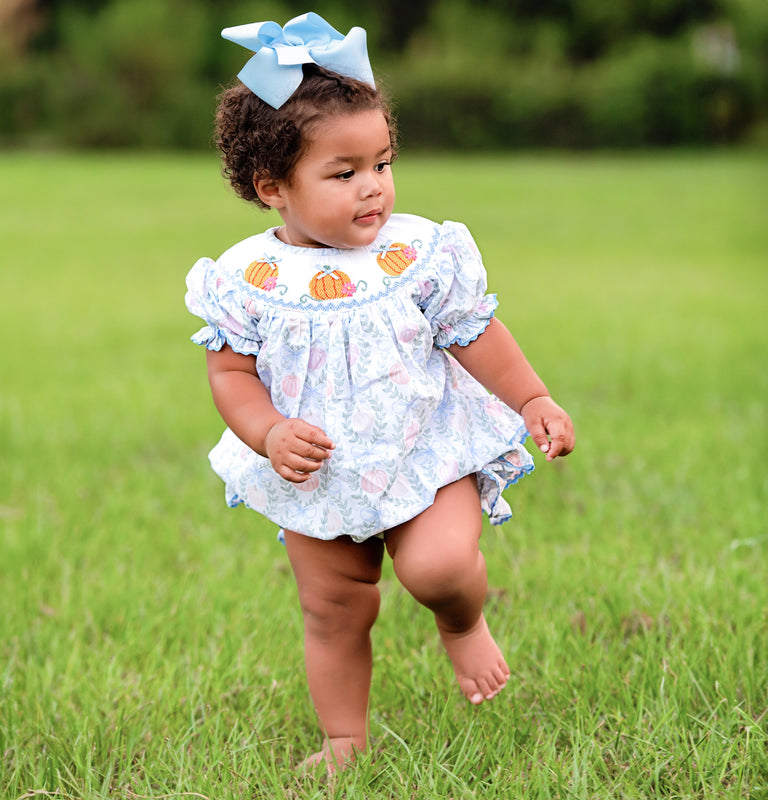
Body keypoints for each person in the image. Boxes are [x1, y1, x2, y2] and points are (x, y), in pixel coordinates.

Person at [185, 12, 575, 771]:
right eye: (344, 173)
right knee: (332, 609)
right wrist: (267, 432)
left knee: (435, 568)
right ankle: (344, 742)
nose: (374, 189)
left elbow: (473, 330)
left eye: (383, 163)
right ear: (273, 188)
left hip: (422, 449)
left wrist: (532, 399)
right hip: (320, 470)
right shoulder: (248, 281)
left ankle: (462, 625)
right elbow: (229, 373)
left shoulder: (417, 255)